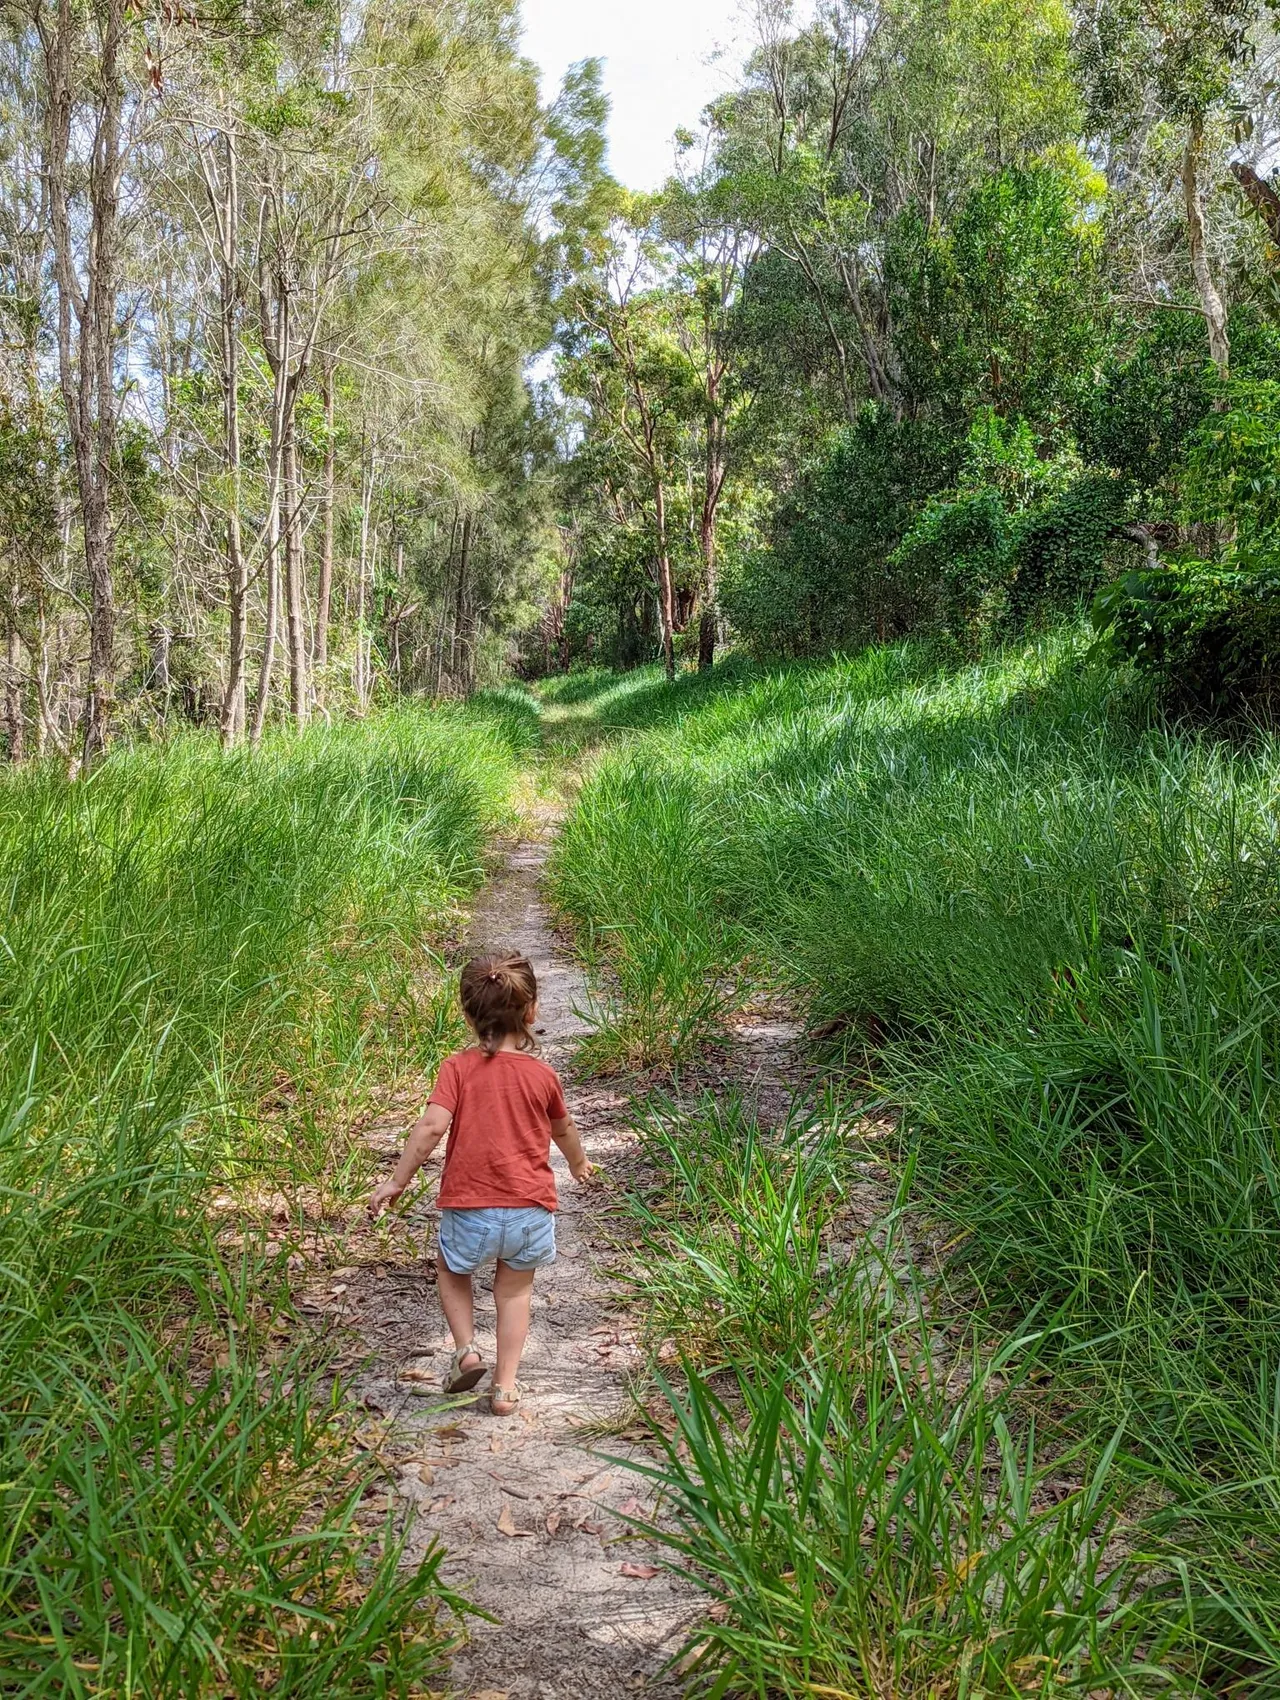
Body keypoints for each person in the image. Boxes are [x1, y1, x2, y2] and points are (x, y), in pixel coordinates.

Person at [367, 951, 593, 1416]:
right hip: (530, 1209)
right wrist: (578, 1163)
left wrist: (397, 1180)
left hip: (470, 1207)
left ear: (468, 1013)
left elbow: (431, 1128)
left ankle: (467, 1350)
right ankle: (505, 1387)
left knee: (452, 1270)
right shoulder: (542, 1074)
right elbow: (563, 1128)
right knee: (514, 1292)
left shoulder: (457, 1069)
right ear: (531, 1011)